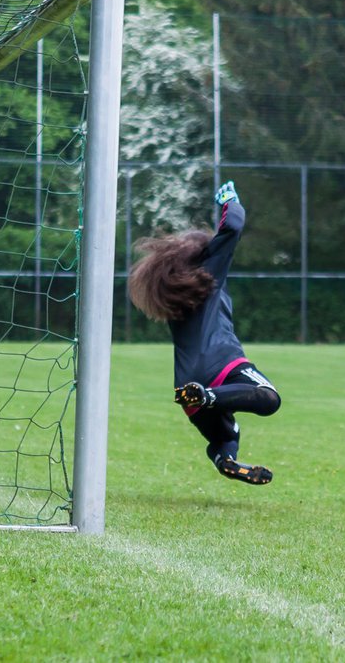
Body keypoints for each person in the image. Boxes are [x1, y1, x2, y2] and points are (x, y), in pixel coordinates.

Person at [128, 180, 281, 485]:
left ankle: (226, 460)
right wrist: (229, 201)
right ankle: (209, 395)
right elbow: (232, 228)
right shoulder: (208, 275)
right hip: (222, 367)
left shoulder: (175, 296)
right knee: (269, 397)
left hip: (186, 385)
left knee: (228, 434)